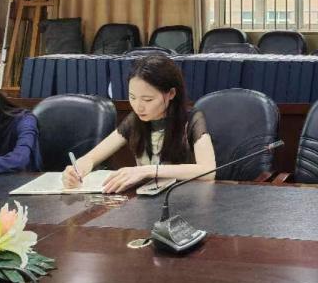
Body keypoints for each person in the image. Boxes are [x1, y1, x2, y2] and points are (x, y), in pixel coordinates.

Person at [63, 53, 215, 193]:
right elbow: (92, 157)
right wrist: (77, 169)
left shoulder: (192, 119)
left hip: (185, 199)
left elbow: (208, 171)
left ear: (171, 94)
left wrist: (148, 170)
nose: (138, 107)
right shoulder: (135, 119)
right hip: (146, 202)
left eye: (147, 99)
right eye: (132, 97)